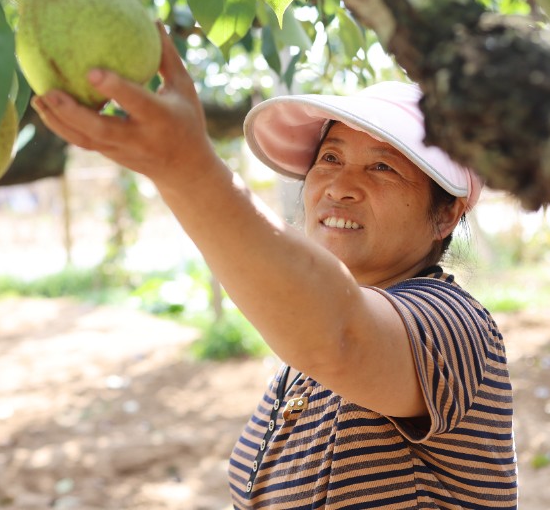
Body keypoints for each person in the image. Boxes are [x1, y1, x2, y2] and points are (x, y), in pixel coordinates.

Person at [31, 25, 517, 509]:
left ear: (446, 214)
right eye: (330, 158)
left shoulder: (457, 327)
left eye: (382, 167)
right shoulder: (298, 360)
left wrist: (184, 166)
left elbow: (340, 339)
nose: (339, 186)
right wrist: (169, 167)